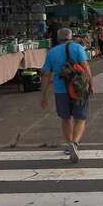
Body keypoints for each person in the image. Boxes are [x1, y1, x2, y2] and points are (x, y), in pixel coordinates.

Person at [40, 28, 94, 164]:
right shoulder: (78, 48)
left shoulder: (51, 53)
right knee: (80, 118)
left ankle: (69, 143)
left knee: (65, 118)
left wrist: (44, 95)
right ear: (71, 37)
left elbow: (46, 75)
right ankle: (74, 143)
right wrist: (91, 85)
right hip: (78, 89)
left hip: (60, 91)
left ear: (58, 38)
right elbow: (86, 69)